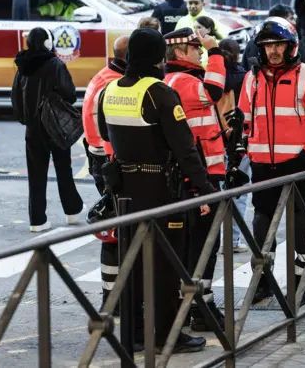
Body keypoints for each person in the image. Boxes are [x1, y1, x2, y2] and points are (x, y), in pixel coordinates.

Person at [97, 28, 214, 353]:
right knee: (165, 266)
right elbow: (184, 149)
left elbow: (107, 135)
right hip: (162, 191)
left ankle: (133, 334)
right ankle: (167, 335)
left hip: (125, 192)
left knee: (131, 263)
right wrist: (204, 190)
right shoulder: (159, 92)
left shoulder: (109, 91)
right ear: (157, 57)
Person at [234, 16, 305, 304]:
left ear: (291, 46)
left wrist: (304, 159)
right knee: (262, 227)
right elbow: (244, 124)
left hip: (297, 168)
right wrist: (240, 158)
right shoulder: (251, 79)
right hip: (263, 168)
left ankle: (302, 284)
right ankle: (263, 281)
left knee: (302, 229)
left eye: (278, 45)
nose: (273, 51)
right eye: (267, 46)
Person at [163, 27, 229, 331]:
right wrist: (215, 51)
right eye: (195, 48)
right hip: (199, 178)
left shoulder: (181, 80)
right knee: (202, 244)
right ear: (179, 53)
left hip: (202, 173)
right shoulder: (183, 81)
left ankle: (198, 303)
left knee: (201, 243)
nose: (200, 52)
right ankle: (201, 306)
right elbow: (215, 91)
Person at [11, 27, 86, 232]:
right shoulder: (55, 64)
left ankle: (37, 220)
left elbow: (15, 98)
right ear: (48, 43)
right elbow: (69, 93)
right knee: (63, 169)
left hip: (32, 129)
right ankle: (72, 211)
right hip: (54, 126)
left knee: (36, 175)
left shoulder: (22, 67)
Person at [81, 34, 129, 308]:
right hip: (107, 161)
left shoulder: (104, 75)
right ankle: (113, 300)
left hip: (99, 157)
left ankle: (112, 298)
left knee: (115, 230)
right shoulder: (113, 83)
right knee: (115, 232)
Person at [219, 38, 250, 253]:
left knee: (220, 189)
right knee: (238, 189)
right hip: (240, 140)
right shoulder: (246, 77)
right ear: (238, 54)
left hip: (216, 139)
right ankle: (232, 242)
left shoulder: (211, 80)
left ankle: (214, 238)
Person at [242, 4, 305, 70]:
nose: (294, 22)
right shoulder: (294, 42)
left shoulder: (252, 43)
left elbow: (245, 67)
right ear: (281, 20)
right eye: (291, 18)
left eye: (279, 45)